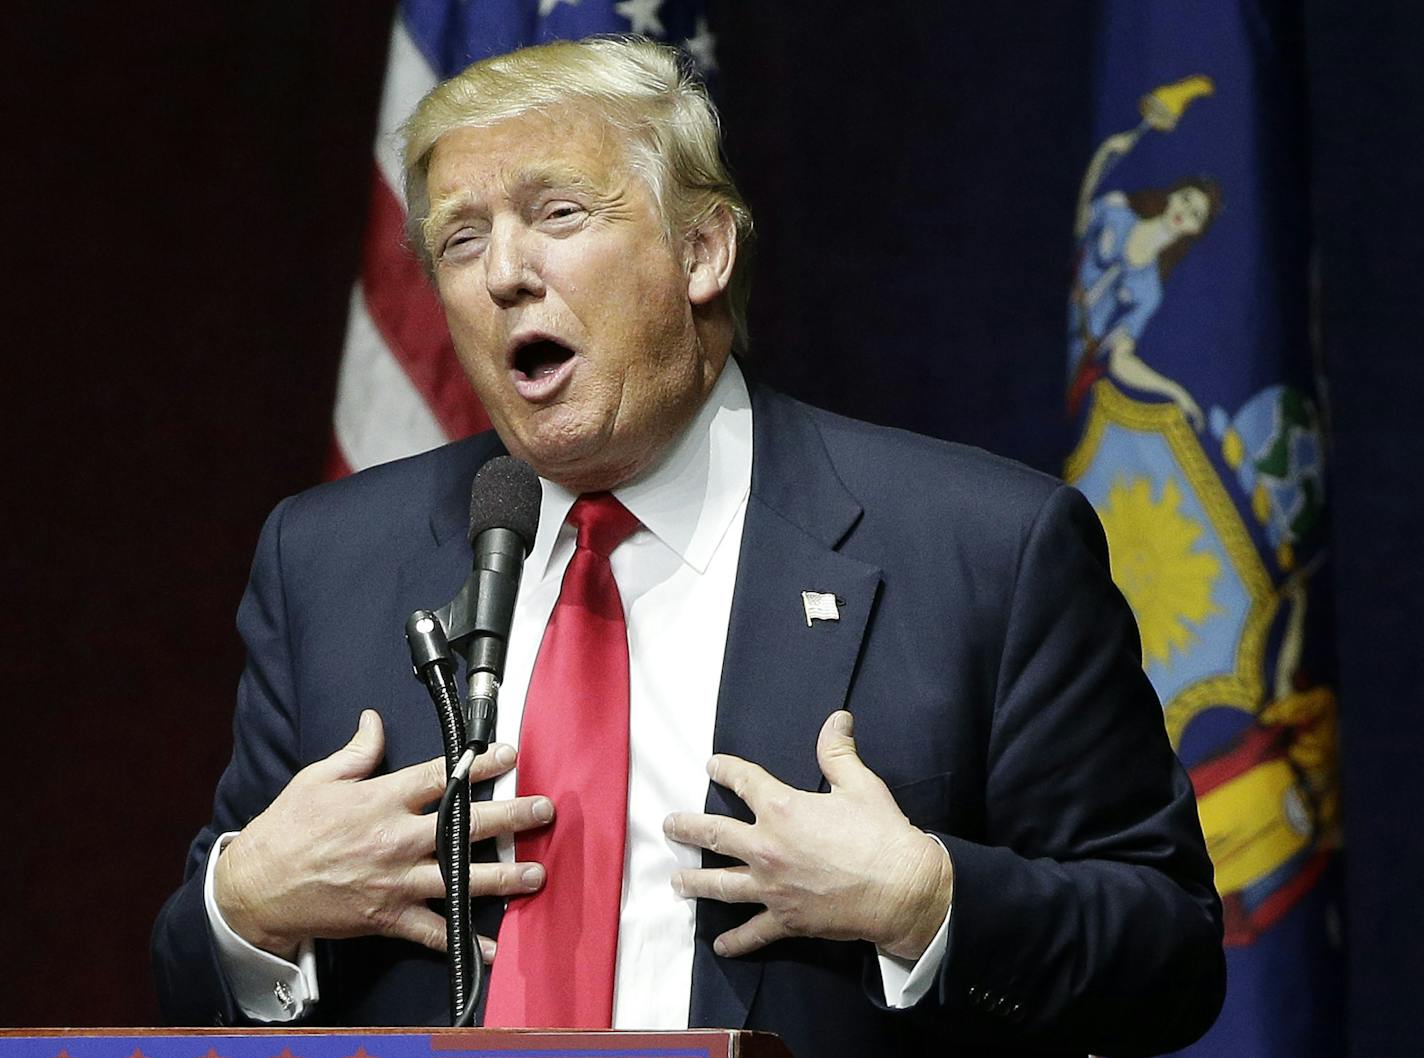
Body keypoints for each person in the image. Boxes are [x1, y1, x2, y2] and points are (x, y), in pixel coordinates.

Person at [152, 38, 1225, 1058]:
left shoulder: (981, 547)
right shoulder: (329, 556)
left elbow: (1168, 953)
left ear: (702, 249)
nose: (503, 274)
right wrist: (246, 907)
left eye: (556, 213)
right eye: (460, 240)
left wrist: (926, 902)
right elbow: (189, 967)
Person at [1068, 124, 1223, 426]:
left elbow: (1121, 360)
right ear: (1174, 193)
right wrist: (1104, 155)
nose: (1185, 212)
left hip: (1078, 347)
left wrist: (1176, 391)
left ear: (1196, 230)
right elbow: (1079, 225)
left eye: (1196, 215)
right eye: (1187, 200)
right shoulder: (1117, 209)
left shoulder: (1151, 289)